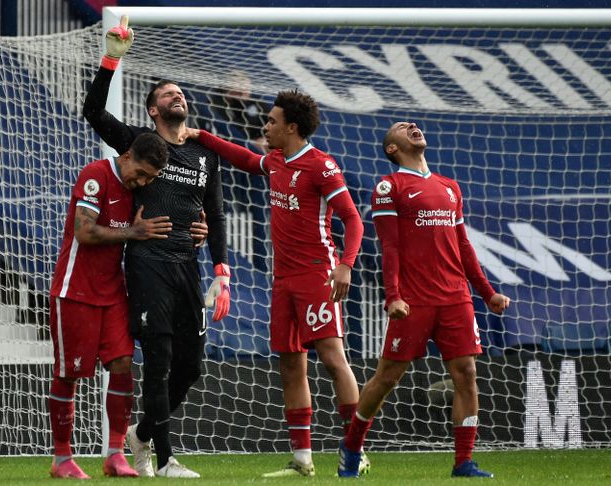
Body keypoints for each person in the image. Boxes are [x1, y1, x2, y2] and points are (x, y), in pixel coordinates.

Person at [186, 89, 370, 477]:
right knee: (290, 364)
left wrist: (346, 265)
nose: (265, 126)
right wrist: (201, 136)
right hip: (283, 281)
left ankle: (356, 450)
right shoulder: (275, 161)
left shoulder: (322, 166)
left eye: (271, 121)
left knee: (333, 358)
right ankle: (303, 460)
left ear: (291, 126)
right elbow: (245, 159)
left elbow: (353, 220)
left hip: (317, 274)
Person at [82, 17, 230, 478]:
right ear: (151, 110)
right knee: (161, 361)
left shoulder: (204, 155)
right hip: (148, 264)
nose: (177, 96)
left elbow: (216, 213)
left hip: (189, 267)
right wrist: (110, 61)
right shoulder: (136, 143)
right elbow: (93, 112)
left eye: (179, 93)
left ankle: (142, 433)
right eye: (166, 94)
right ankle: (164, 460)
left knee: (192, 366)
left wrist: (222, 269)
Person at [336, 121, 511, 479]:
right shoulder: (389, 187)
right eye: (402, 128)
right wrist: (394, 297)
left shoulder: (450, 187)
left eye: (413, 125)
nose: (413, 127)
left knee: (467, 374)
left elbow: (463, 246)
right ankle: (352, 446)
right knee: (387, 378)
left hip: (455, 298)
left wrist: (487, 293)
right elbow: (391, 247)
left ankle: (463, 462)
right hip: (413, 300)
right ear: (392, 149)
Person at [48, 133, 171, 479]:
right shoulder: (95, 175)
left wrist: (199, 226)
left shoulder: (137, 189)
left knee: (122, 366)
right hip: (75, 291)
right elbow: (84, 232)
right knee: (69, 374)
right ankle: (61, 459)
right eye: (142, 173)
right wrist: (133, 233)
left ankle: (115, 454)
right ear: (128, 155)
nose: (142, 182)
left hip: (114, 293)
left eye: (149, 178)